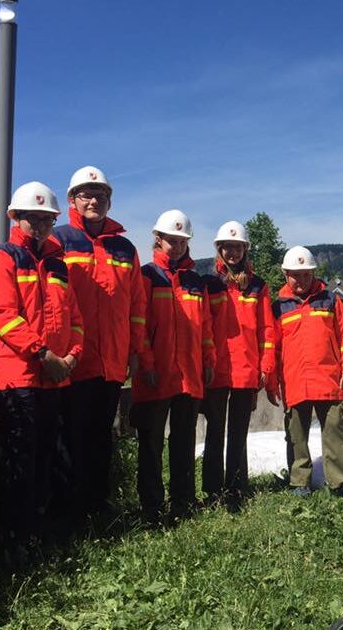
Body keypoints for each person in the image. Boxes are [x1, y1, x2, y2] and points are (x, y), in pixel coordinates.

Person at [0, 181, 85, 553]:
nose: (38, 226)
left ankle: (39, 532)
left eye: (45, 220)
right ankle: (15, 540)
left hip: (52, 378)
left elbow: (75, 319)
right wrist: (44, 355)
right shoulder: (0, 260)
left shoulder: (57, 266)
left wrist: (72, 356)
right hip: (16, 378)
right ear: (15, 218)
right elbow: (2, 316)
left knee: (46, 457)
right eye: (31, 219)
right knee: (19, 460)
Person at [52, 166, 146, 515]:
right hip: (74, 361)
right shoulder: (58, 241)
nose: (94, 200)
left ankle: (97, 507)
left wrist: (134, 350)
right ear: (72, 200)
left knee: (102, 436)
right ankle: (69, 513)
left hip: (112, 362)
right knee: (70, 438)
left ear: (109, 201)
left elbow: (137, 305)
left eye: (101, 195)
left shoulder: (125, 248)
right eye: (86, 195)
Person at [130, 210, 216, 523]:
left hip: (188, 374)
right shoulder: (147, 276)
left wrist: (208, 359)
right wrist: (147, 363)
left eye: (182, 241)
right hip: (156, 373)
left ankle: (183, 501)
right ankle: (152, 507)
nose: (177, 246)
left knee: (184, 441)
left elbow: (205, 327)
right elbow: (138, 323)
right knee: (151, 443)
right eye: (171, 240)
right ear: (158, 239)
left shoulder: (195, 281)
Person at [268, 246, 343, 499]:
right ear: (285, 274)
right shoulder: (278, 307)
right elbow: (273, 347)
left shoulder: (330, 300)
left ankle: (340, 483)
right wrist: (272, 382)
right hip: (294, 382)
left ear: (313, 273)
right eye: (295, 275)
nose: (301, 280)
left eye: (306, 274)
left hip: (328, 380)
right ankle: (300, 482)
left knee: (335, 432)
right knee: (296, 435)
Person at [200, 220, 276, 512]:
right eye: (227, 247)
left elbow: (266, 329)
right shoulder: (209, 284)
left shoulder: (258, 286)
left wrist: (265, 366)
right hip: (217, 369)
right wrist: (206, 362)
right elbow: (204, 326)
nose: (232, 253)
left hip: (246, 369)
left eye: (237, 247)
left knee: (238, 433)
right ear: (219, 250)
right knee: (215, 432)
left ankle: (236, 490)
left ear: (245, 250)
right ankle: (212, 490)